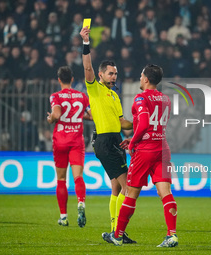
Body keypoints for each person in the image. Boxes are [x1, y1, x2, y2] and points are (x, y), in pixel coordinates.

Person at [102, 64, 178, 247]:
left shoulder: (140, 99)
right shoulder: (166, 99)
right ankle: (172, 235)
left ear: (145, 79)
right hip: (162, 148)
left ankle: (118, 235)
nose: (139, 78)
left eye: (141, 75)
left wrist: (133, 142)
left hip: (144, 150)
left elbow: (143, 124)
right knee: (165, 193)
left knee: (131, 193)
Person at [79, 27, 136, 243]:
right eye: (111, 73)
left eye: (116, 74)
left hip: (117, 140)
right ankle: (117, 232)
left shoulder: (114, 95)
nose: (114, 76)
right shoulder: (95, 88)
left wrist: (142, 122)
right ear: (101, 74)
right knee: (128, 187)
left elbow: (123, 122)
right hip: (104, 141)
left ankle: (115, 230)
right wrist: (85, 42)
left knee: (116, 186)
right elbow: (87, 66)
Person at [47, 66, 92, 227]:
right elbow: (92, 115)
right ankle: (81, 202)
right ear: (72, 79)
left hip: (60, 141)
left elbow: (57, 114)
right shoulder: (81, 96)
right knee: (78, 177)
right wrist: (79, 116)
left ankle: (64, 216)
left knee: (61, 179)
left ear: (59, 80)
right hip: (76, 141)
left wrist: (51, 118)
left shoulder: (56, 96)